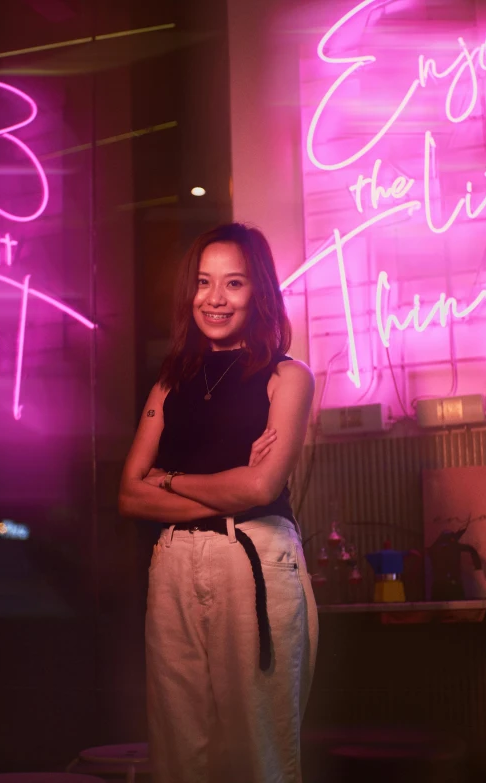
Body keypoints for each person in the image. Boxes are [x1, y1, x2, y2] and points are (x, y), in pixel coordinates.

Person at [119, 222, 318, 783]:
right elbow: (129, 496)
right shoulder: (170, 381)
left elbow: (258, 490)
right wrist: (222, 484)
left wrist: (169, 478)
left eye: (233, 283)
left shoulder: (288, 376)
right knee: (180, 751)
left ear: (259, 292)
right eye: (204, 283)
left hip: (252, 558)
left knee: (259, 750)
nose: (215, 298)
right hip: (174, 562)